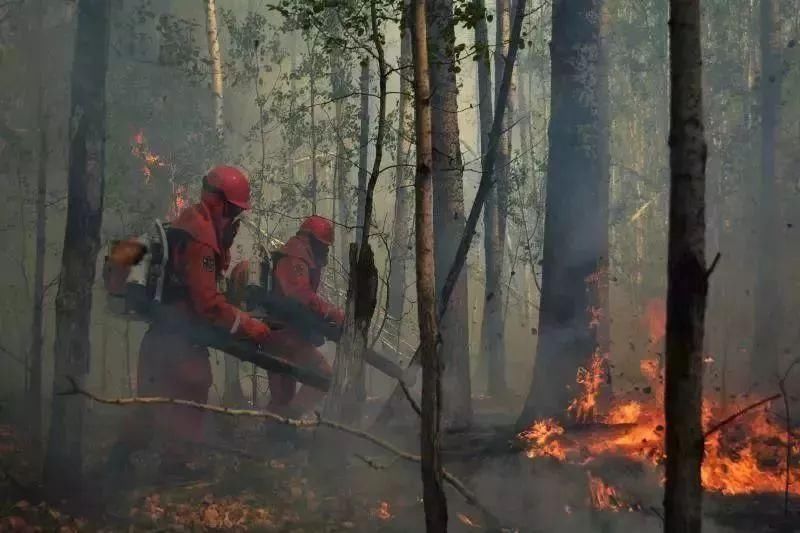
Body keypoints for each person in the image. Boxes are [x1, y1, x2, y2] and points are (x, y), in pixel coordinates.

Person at [106, 165, 271, 479]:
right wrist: (246, 325)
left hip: (165, 336)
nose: (236, 218)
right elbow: (207, 302)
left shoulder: (193, 222)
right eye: (234, 210)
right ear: (218, 201)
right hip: (178, 340)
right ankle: (171, 465)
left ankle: (120, 466)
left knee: (153, 402)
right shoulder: (202, 238)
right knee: (194, 386)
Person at [264, 215, 343, 417]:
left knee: (283, 396)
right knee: (324, 377)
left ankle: (276, 435)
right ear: (310, 240)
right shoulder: (295, 256)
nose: (325, 251)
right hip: (283, 336)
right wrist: (332, 313)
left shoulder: (298, 257)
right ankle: (286, 423)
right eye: (323, 246)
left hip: (285, 334)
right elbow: (300, 295)